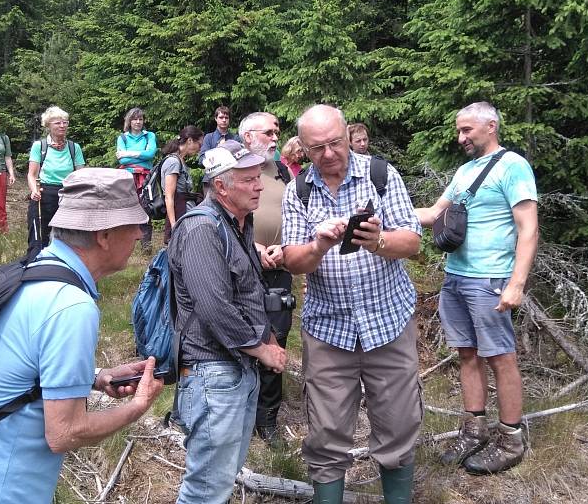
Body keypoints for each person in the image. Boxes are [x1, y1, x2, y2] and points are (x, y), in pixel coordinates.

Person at [0, 168, 165, 503]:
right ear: (104, 235)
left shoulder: (34, 274)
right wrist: (138, 406)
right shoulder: (70, 305)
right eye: (134, 224)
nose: (141, 233)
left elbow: (16, 368)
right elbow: (65, 433)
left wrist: (96, 377)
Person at [282, 104, 423, 503]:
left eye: (334, 143)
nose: (327, 154)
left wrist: (377, 241)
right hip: (329, 329)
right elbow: (293, 261)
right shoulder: (300, 190)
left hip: (388, 322)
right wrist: (319, 245)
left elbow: (412, 242)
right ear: (303, 149)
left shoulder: (381, 175)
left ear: (348, 136)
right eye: (316, 148)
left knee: (398, 423)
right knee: (326, 432)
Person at [415, 101, 538, 474]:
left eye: (467, 130)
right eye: (458, 130)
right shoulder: (466, 170)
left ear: (491, 125)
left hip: (490, 279)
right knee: (467, 354)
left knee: (501, 357)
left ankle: (511, 438)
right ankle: (474, 430)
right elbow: (435, 213)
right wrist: (387, 213)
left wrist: (516, 284)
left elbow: (528, 229)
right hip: (455, 276)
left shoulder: (513, 165)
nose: (461, 137)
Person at [168, 140, 287, 503]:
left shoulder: (238, 224)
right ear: (221, 186)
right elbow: (215, 307)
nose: (260, 185)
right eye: (249, 179)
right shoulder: (202, 229)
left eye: (258, 177)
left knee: (222, 477)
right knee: (206, 487)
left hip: (235, 369)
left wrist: (267, 337)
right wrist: (262, 349)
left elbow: (247, 293)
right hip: (211, 373)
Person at [239, 112, 294, 443]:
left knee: (277, 337)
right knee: (242, 335)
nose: (275, 138)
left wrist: (287, 249)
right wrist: (254, 247)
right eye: (269, 133)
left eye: (277, 133)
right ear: (248, 137)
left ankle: (268, 418)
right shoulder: (232, 167)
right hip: (241, 266)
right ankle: (239, 408)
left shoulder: (283, 170)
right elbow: (220, 218)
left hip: (280, 266)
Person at [27, 106, 85, 253]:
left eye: (65, 122)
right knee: (39, 236)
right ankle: (36, 263)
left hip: (68, 193)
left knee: (67, 236)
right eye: (58, 123)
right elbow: (32, 175)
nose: (62, 126)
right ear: (48, 125)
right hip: (44, 193)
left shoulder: (74, 147)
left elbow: (81, 174)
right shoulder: (39, 146)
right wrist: (34, 191)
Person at [116, 107, 158, 251]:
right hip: (127, 177)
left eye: (140, 119)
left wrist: (129, 154)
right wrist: (141, 154)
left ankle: (146, 245)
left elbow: (150, 154)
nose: (138, 122)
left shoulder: (149, 136)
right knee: (128, 208)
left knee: (146, 208)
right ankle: (128, 245)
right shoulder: (122, 138)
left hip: (146, 177)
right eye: (135, 119)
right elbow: (122, 162)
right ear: (129, 121)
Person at [161, 125, 204, 243]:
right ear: (190, 140)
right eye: (199, 144)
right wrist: (174, 224)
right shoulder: (173, 162)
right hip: (179, 212)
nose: (200, 149)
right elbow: (169, 196)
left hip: (184, 210)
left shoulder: (180, 160)